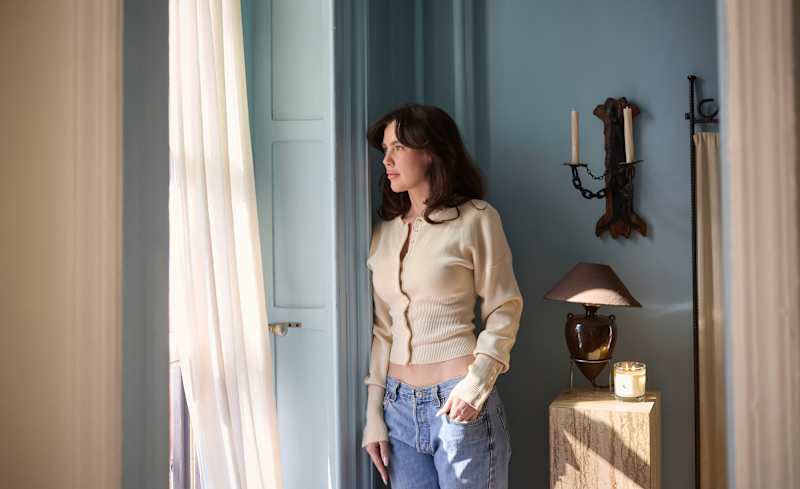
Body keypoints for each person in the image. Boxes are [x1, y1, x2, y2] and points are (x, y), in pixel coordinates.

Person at [361, 103, 524, 488]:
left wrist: (476, 386)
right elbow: (384, 330)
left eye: (398, 147)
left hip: (458, 399)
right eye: (385, 149)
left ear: (431, 151)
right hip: (396, 409)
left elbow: (505, 307)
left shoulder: (477, 219)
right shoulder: (384, 233)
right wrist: (373, 416)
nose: (387, 159)